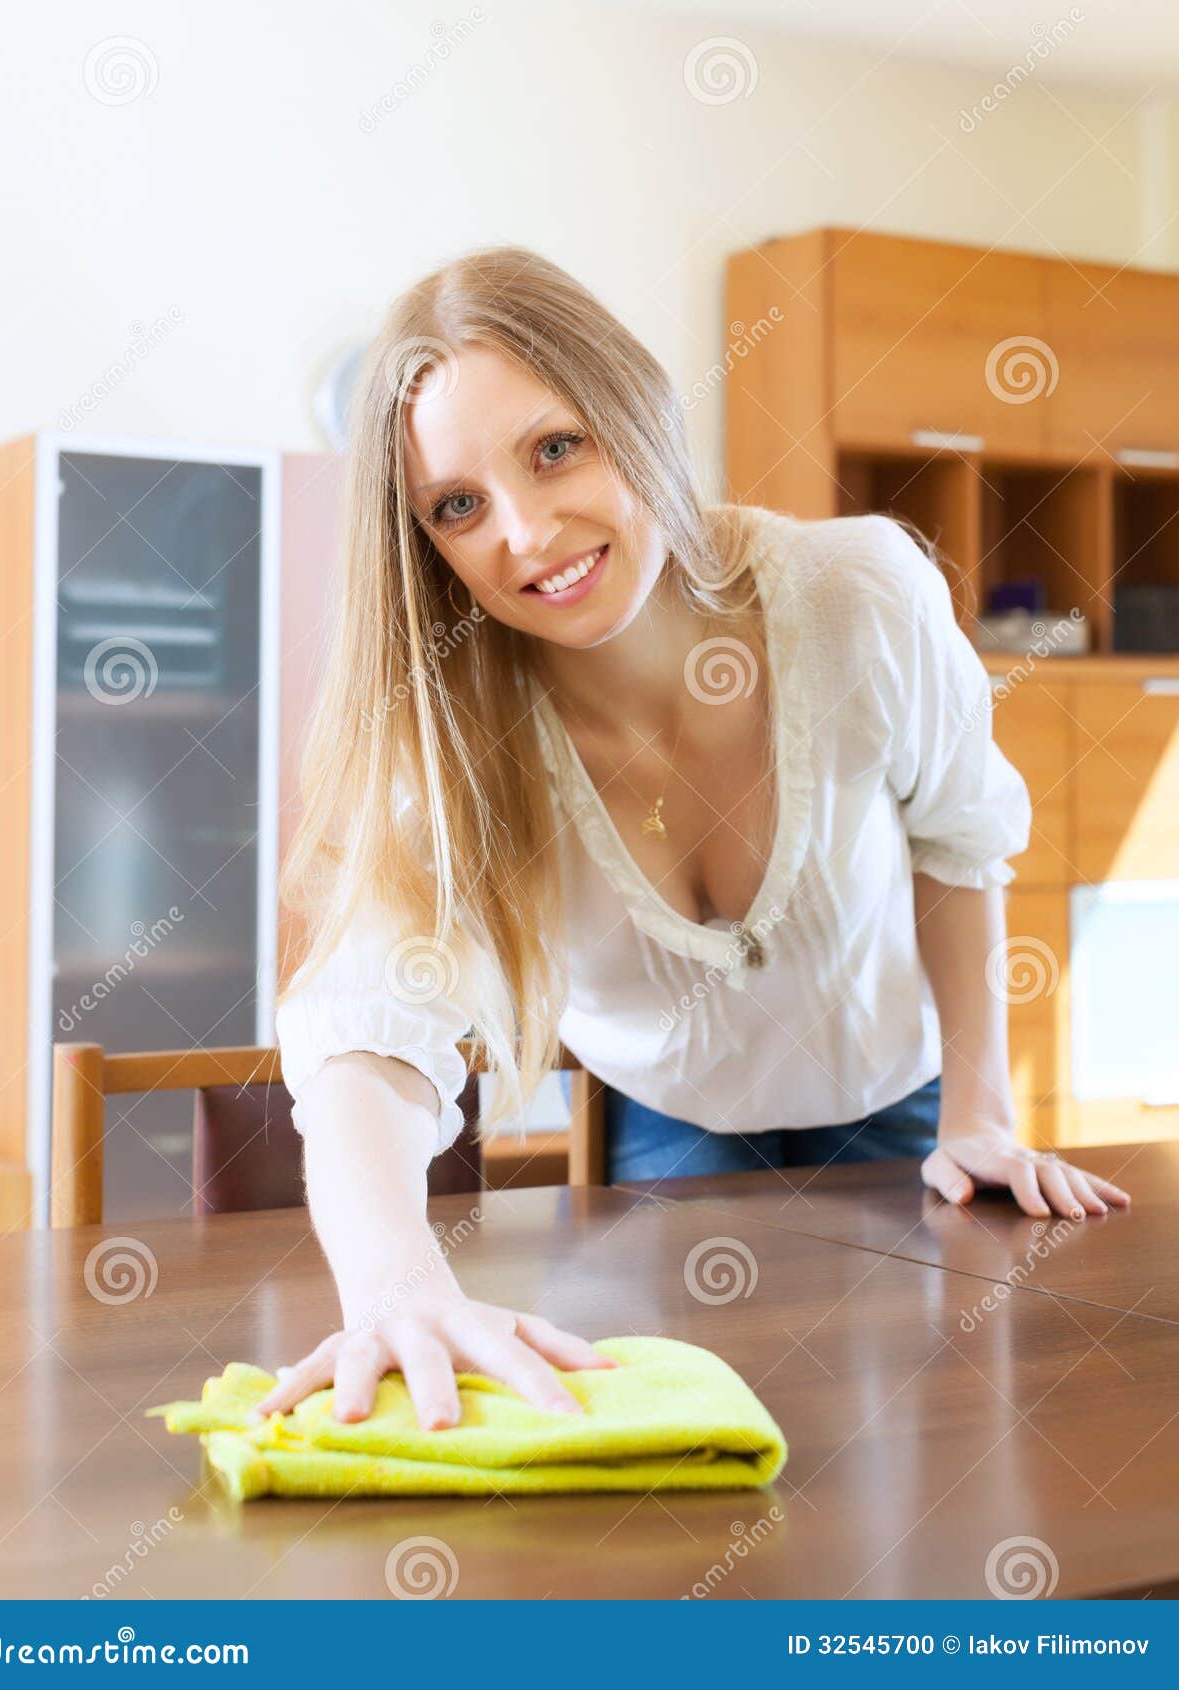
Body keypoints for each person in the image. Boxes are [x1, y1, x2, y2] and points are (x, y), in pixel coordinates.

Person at [255, 245, 1130, 1433]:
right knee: (699, 1485)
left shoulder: (857, 594)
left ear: (633, 407)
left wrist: (982, 1111)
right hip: (672, 1129)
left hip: (909, 1115)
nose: (526, 532)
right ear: (427, 548)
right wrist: (395, 1287)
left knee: (923, 1469)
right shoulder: (449, 738)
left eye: (554, 447)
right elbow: (367, 1037)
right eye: (457, 506)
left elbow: (957, 842)